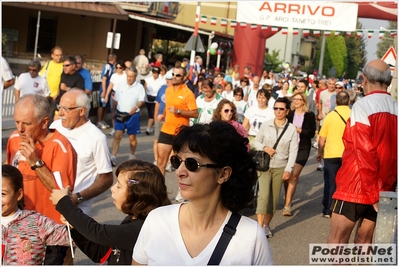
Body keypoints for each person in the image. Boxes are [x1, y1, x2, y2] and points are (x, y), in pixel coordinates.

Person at [132, 121, 273, 265]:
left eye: (192, 164)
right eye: (177, 161)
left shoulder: (251, 236)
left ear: (223, 174)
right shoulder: (157, 221)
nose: (179, 172)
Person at [328, 59, 397, 244]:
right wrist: (383, 191)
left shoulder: (363, 105)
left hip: (355, 184)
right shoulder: (396, 108)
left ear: (364, 79)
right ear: (389, 81)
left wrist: (373, 193)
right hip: (385, 187)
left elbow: (364, 152)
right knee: (365, 243)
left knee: (337, 243)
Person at [50, 159, 171, 265]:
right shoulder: (133, 219)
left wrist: (64, 203)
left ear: (138, 194)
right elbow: (100, 253)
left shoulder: (145, 228)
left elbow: (96, 231)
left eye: (118, 186)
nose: (112, 189)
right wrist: (74, 226)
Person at [6, 94, 77, 264]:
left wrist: (35, 162)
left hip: (50, 230)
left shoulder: (61, 146)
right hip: (18, 227)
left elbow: (62, 194)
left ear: (45, 122)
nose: (20, 129)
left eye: (27, 123)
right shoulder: (15, 139)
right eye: (17, 122)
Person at [50, 89, 113, 215]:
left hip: (75, 208)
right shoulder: (54, 127)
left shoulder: (97, 137)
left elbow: (106, 179)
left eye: (66, 109)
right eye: (59, 107)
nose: (60, 113)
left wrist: (78, 197)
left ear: (82, 111)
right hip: (49, 199)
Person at [2, 164, 71, 265]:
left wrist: (73, 218)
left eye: (2, 194)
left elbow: (75, 237)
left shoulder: (38, 223)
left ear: (19, 194)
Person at [253, 97, 298, 237]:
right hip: (265, 166)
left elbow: (293, 151)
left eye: (281, 109)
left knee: (273, 200)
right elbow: (256, 141)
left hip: (280, 166)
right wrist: (265, 147)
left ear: (287, 111)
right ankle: (259, 228)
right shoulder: (266, 125)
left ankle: (266, 225)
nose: (278, 111)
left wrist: (288, 169)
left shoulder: (291, 129)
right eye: (275, 108)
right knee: (263, 196)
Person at [156, 66, 198, 177]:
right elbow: (168, 104)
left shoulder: (188, 93)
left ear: (184, 78)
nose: (174, 77)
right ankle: (160, 191)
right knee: (161, 161)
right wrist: (163, 115)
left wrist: (178, 111)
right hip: (166, 129)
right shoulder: (168, 89)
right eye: (173, 74)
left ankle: (182, 192)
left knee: (179, 165)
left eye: (178, 75)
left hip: (180, 132)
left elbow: (195, 113)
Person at [316, 91, 351, 218]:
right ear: (349, 101)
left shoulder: (330, 116)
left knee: (330, 181)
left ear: (335, 101)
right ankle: (342, 209)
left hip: (331, 153)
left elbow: (322, 137)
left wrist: (320, 152)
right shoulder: (353, 115)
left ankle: (328, 209)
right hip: (348, 154)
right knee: (345, 182)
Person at [283, 92, 316, 216]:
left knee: (294, 176)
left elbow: (311, 133)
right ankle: (288, 198)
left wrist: (299, 130)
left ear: (303, 101)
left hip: (302, 148)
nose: (295, 101)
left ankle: (287, 205)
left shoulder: (309, 115)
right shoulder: (289, 114)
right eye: (294, 99)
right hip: (288, 148)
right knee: (287, 176)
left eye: (298, 99)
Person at [110, 67, 145, 166]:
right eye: (128, 76)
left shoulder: (139, 87)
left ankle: (132, 155)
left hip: (132, 115)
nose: (129, 78)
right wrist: (114, 112)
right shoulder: (120, 85)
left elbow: (141, 100)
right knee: (117, 135)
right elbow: (116, 100)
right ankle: (113, 156)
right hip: (120, 114)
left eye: (131, 76)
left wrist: (136, 107)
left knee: (132, 137)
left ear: (135, 76)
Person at [39, 46, 63, 123]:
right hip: (46, 94)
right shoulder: (48, 64)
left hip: (56, 95)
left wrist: (58, 93)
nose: (59, 57)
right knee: (43, 112)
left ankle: (50, 130)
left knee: (51, 114)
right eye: (57, 55)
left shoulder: (63, 66)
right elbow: (41, 77)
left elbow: (63, 81)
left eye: (60, 55)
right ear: (52, 55)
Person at [153, 73, 173, 165]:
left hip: (170, 119)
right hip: (160, 118)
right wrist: (155, 116)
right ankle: (157, 160)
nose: (167, 81)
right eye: (166, 79)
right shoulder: (162, 88)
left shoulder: (175, 91)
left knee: (170, 143)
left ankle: (169, 162)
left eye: (169, 79)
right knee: (156, 140)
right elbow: (157, 103)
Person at [104, 61, 127, 136]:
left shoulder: (125, 75)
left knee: (122, 112)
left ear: (123, 68)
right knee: (113, 112)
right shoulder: (114, 76)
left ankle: (121, 127)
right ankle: (114, 128)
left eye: (120, 68)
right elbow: (110, 85)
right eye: (117, 68)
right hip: (114, 94)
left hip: (123, 95)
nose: (118, 69)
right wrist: (106, 95)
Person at [144, 66, 165, 135]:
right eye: (153, 73)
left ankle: (148, 128)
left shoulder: (161, 81)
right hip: (148, 98)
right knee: (150, 113)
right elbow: (144, 88)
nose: (154, 74)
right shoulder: (148, 80)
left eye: (156, 73)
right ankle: (153, 126)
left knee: (152, 114)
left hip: (156, 99)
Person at [98, 53, 117, 130]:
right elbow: (104, 79)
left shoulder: (112, 67)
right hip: (104, 88)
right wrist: (104, 91)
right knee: (102, 105)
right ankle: (99, 121)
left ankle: (102, 120)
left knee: (106, 105)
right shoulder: (108, 67)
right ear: (114, 59)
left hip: (108, 88)